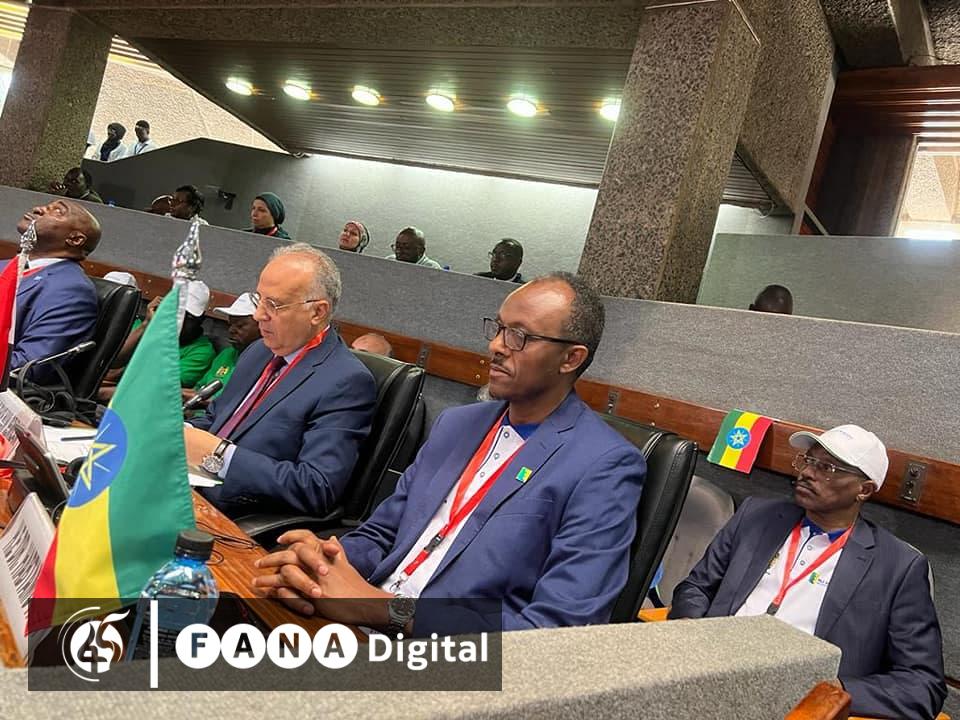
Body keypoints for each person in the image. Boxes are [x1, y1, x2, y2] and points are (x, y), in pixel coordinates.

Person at [253, 272, 646, 636]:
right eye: (498, 328)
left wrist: (380, 607)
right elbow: (382, 534)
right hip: (358, 625)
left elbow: (556, 630)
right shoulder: (457, 425)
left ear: (570, 358)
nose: (496, 346)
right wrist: (322, 562)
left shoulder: (604, 465)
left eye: (519, 336)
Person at [669, 425, 946, 719]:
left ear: (863, 490)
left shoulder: (897, 566)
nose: (807, 473)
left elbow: (923, 685)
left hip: (795, 702)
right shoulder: (756, 516)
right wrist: (690, 630)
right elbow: (696, 587)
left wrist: (831, 690)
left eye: (827, 468)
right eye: (808, 460)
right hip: (709, 670)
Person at [185, 244, 376, 518]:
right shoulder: (258, 351)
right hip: (186, 491)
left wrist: (222, 455)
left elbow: (317, 487)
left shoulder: (347, 382)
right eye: (259, 299)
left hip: (231, 515)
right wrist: (179, 432)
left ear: (317, 312)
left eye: (273, 305)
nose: (258, 315)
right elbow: (216, 418)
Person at [8, 200, 100, 383]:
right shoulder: (5, 266)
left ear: (75, 239)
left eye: (57, 211)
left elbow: (27, 368)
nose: (38, 209)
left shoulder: (72, 291)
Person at [106, 280, 215, 389]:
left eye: (188, 317)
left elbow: (158, 384)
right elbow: (111, 363)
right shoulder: (146, 328)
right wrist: (147, 324)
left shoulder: (201, 351)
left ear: (201, 320)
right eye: (176, 312)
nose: (180, 321)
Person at [183, 292, 261, 406]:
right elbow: (199, 389)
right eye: (230, 324)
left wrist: (195, 399)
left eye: (240, 326)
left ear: (262, 326)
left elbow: (237, 407)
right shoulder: (227, 354)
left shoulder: (264, 365)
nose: (231, 330)